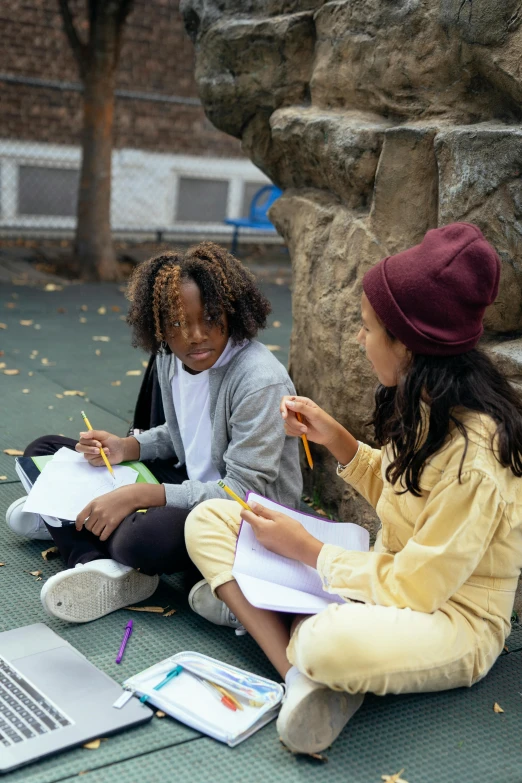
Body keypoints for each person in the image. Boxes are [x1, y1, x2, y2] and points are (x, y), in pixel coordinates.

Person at [184, 223, 522, 755]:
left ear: (408, 344)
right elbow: (401, 496)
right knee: (210, 520)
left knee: (327, 641)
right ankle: (299, 675)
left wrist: (307, 550)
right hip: (382, 571)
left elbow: (419, 589)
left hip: (452, 619)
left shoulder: (474, 460)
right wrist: (339, 441)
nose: (359, 340)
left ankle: (268, 622)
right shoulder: (427, 401)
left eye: (367, 329)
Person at [6, 242, 302, 624]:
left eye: (209, 317)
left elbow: (242, 491)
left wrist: (139, 495)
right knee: (43, 450)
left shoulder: (258, 380)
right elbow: (183, 432)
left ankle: (67, 525)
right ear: (159, 326)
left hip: (236, 513)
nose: (194, 334)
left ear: (232, 310)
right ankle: (93, 554)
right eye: (177, 323)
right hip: (189, 483)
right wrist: (126, 446)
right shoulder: (169, 357)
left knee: (141, 539)